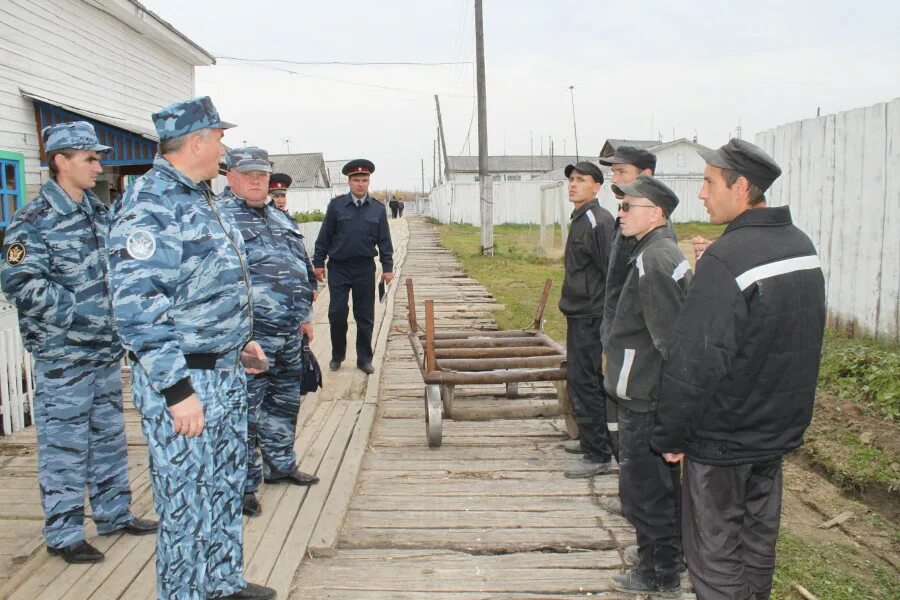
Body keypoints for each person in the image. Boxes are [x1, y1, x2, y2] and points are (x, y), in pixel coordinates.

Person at [108, 97, 275, 600]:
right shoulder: (151, 204)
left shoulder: (199, 198)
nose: (224, 146)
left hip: (224, 372)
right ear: (197, 141)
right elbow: (137, 308)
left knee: (223, 489)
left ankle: (221, 582)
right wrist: (178, 389)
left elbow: (209, 285)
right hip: (185, 382)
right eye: (219, 137)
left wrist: (240, 339)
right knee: (185, 503)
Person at [653, 139, 826, 600]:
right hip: (773, 435)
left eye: (709, 183)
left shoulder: (728, 259)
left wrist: (671, 435)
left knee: (714, 555)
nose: (702, 194)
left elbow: (694, 363)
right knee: (756, 543)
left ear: (743, 186)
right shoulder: (800, 245)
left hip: (723, 439)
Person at [0, 121, 157, 564]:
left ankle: (113, 513)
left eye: (97, 157)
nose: (97, 165)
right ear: (60, 161)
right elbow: (18, 281)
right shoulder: (33, 221)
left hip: (104, 352)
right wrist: (82, 313)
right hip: (63, 356)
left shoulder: (99, 212)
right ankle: (64, 532)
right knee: (65, 445)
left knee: (108, 437)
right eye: (88, 158)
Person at [218, 148, 319, 519]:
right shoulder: (220, 219)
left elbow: (303, 269)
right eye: (248, 174)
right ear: (230, 177)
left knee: (285, 402)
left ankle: (281, 464)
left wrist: (305, 315)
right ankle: (244, 484)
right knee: (245, 411)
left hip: (290, 332)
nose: (257, 180)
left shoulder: (281, 218)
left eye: (262, 173)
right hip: (249, 337)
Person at [602, 176, 690, 596]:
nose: (620, 214)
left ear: (655, 213)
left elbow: (669, 340)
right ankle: (659, 563)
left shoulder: (653, 259)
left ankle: (661, 574)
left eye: (628, 207)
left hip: (646, 396)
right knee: (653, 488)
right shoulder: (655, 251)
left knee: (645, 491)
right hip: (644, 390)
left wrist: (671, 406)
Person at [557, 161, 616, 478]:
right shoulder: (580, 217)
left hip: (591, 316)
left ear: (597, 186)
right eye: (570, 179)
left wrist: (606, 318)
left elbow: (611, 272)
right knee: (581, 379)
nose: (573, 184)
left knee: (586, 381)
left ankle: (598, 454)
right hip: (578, 312)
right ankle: (593, 440)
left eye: (581, 180)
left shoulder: (598, 221)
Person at [313, 159, 393, 374]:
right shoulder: (337, 206)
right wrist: (318, 262)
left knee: (365, 316)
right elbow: (325, 236)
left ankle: (364, 359)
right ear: (349, 182)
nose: (360, 184)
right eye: (356, 180)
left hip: (365, 268)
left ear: (369, 182)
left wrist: (387, 267)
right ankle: (337, 355)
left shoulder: (377, 209)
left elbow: (385, 241)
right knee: (337, 313)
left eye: (364, 180)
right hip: (339, 267)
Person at [269, 172, 318, 296]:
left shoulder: (291, 222)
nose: (280, 200)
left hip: (297, 286)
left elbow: (302, 253)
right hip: (275, 287)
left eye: (283, 196)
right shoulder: (264, 221)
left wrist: (313, 284)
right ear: (268, 197)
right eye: (276, 196)